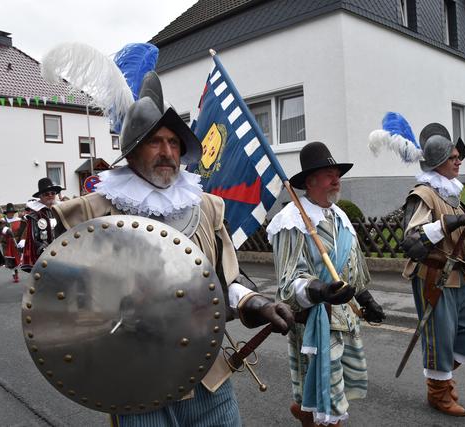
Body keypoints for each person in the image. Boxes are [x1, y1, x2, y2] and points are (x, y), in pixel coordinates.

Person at [51, 71, 294, 427]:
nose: (167, 152)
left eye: (173, 142)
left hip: (205, 373)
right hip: (134, 382)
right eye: (154, 141)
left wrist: (258, 303)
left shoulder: (207, 207)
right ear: (132, 150)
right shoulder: (91, 213)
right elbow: (65, 298)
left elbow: (225, 280)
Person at [267, 141, 385, 426]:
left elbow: (353, 270)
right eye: (329, 174)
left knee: (333, 385)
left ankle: (305, 411)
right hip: (315, 320)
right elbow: (288, 283)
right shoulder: (291, 221)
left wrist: (366, 300)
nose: (337, 180)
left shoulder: (339, 216)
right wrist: (320, 290)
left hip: (346, 319)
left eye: (337, 174)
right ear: (310, 181)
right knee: (330, 396)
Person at [399, 123, 465, 417]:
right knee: (440, 336)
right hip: (434, 276)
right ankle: (439, 392)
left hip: (460, 275)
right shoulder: (423, 195)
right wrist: (449, 223)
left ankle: (442, 376)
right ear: (438, 162)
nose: (459, 161)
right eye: (453, 157)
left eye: (458, 156)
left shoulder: (453, 195)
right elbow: (411, 241)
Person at [19, 178, 63, 272]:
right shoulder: (35, 214)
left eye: (53, 193)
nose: (50, 195)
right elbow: (34, 238)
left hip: (63, 251)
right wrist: (47, 251)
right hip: (45, 255)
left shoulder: (61, 210)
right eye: (46, 194)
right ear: (40, 196)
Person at [0, 203, 23, 282]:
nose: (11, 214)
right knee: (10, 260)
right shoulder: (3, 221)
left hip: (16, 242)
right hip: (7, 243)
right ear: (7, 213)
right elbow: (1, 230)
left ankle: (16, 271)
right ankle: (14, 273)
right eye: (9, 212)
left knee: (18, 258)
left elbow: (22, 231)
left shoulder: (18, 220)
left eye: (12, 212)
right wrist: (6, 229)